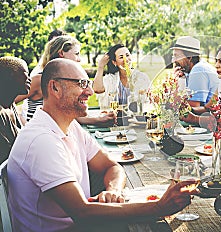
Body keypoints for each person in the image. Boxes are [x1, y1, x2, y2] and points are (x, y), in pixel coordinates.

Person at [7, 58, 196, 231]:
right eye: (82, 84)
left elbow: (111, 166)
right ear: (55, 88)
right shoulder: (41, 140)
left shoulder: (70, 126)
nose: (89, 91)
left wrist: (113, 191)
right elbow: (83, 213)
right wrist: (158, 207)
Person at [15, 35, 116, 126]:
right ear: (61, 53)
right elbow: (6, 103)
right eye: (76, 54)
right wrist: (24, 125)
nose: (79, 59)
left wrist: (100, 119)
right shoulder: (40, 80)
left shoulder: (66, 80)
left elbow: (74, 116)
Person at [93, 44, 151, 109]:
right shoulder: (110, 79)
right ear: (114, 62)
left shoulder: (142, 78)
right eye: (121, 57)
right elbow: (97, 90)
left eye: (127, 55)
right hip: (115, 117)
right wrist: (101, 66)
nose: (126, 59)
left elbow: (148, 101)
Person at [172, 36, 220, 107]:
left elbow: (192, 108)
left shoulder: (198, 71)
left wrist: (174, 85)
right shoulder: (198, 68)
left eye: (177, 56)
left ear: (190, 57)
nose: (173, 61)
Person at [0, 56, 30, 164]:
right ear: (10, 76)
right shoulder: (1, 114)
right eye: (26, 73)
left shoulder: (10, 104)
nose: (29, 79)